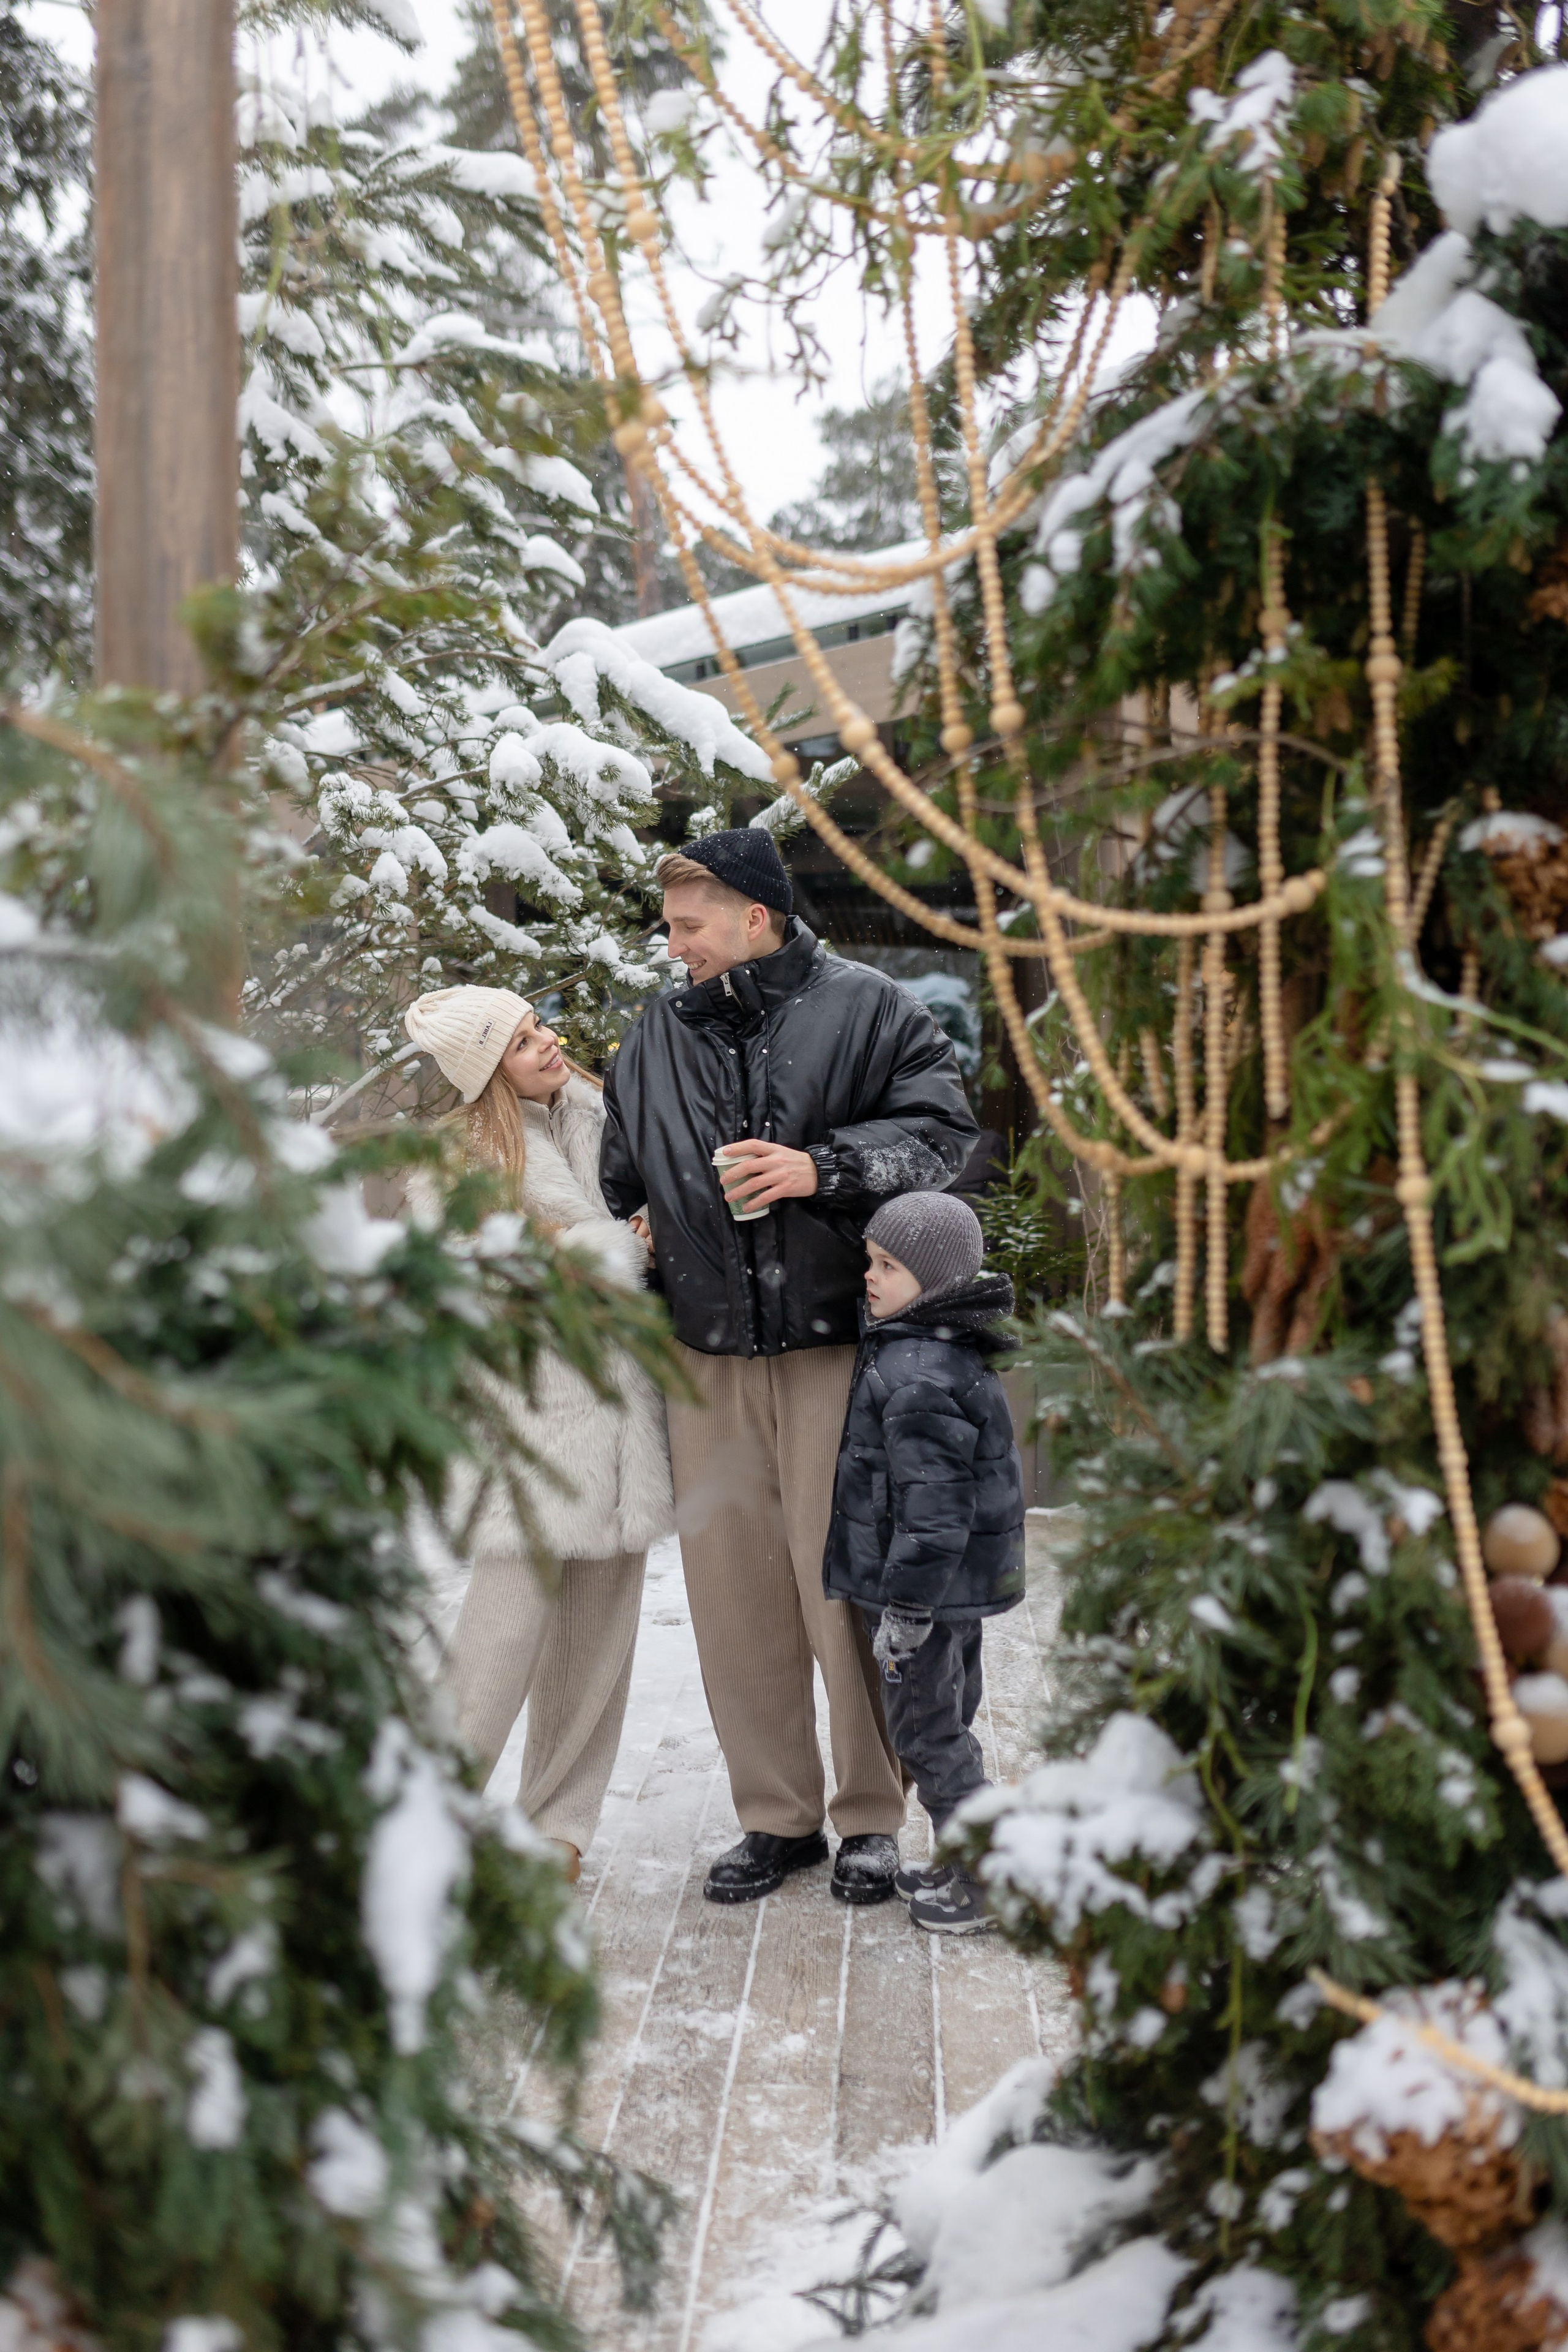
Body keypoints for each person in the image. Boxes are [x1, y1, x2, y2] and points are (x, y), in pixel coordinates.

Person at [599, 829, 978, 1905]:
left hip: (834, 1345)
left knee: (843, 1583)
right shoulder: (654, 1037)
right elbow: (622, 1167)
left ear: (753, 918)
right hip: (704, 1355)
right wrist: (637, 1223)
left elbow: (943, 1140)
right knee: (735, 1600)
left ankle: (869, 1816)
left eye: (688, 926)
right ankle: (777, 1818)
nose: (673, 947)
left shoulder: (869, 1008)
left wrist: (821, 1168)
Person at [404, 986, 673, 1881]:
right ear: (486, 1073)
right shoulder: (454, 1162)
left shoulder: (606, 1113)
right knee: (498, 1640)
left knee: (599, 1640)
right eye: (521, 1043)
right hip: (536, 1427)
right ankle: (426, 1821)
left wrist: (627, 1237)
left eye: (539, 1026)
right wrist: (616, 1251)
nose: (547, 1043)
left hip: (625, 1418)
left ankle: (557, 1826)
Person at [823, 1189, 1025, 1934]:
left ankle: (985, 1878)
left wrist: (906, 1607)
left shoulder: (915, 1373)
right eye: (870, 1260)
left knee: (926, 1733)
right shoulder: (939, 1348)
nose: (869, 1277)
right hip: (954, 1591)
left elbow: (933, 1508)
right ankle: (962, 1854)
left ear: (935, 1282)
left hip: (922, 1595)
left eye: (889, 1265)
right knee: (949, 1718)